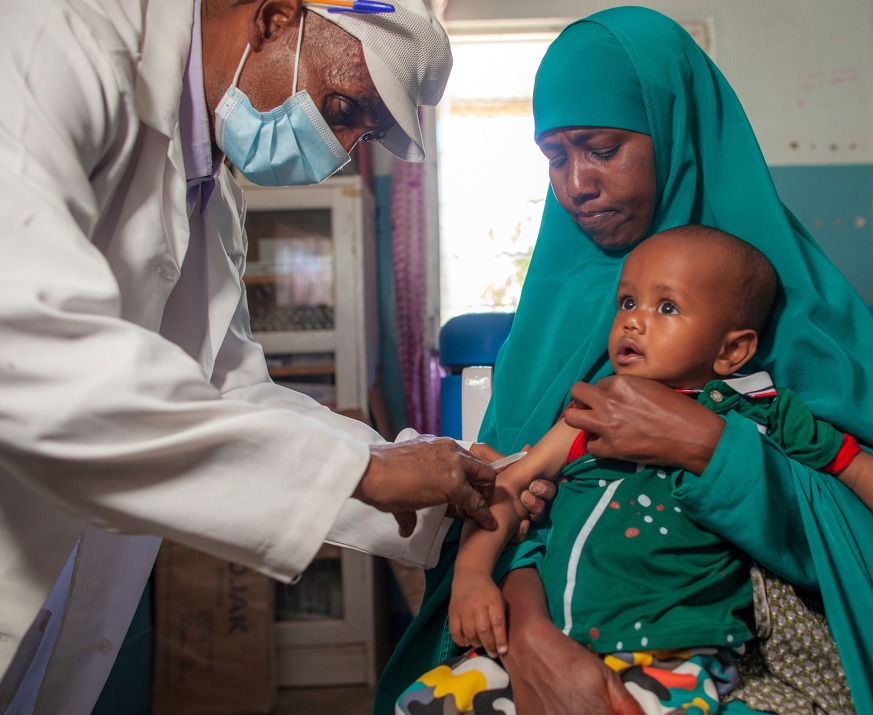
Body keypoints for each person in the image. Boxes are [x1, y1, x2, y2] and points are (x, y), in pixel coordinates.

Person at [375, 8, 873, 715]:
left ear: (674, 130)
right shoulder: (556, 312)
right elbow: (517, 495)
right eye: (555, 156)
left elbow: (872, 537)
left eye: (602, 148)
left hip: (732, 652)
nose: (576, 183)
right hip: (542, 630)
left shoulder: (786, 308)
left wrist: (710, 446)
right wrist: (534, 637)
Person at [0, 0, 553, 710]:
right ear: (274, 18)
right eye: (345, 106)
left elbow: (230, 391)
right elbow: (27, 344)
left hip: (49, 567)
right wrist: (362, 471)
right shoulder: (64, 35)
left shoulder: (208, 187)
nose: (345, 147)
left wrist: (443, 484)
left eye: (366, 132)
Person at [395, 225, 873, 713]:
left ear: (732, 351)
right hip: (555, 639)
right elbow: (509, 484)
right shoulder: (591, 410)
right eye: (627, 301)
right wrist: (473, 574)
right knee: (424, 702)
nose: (632, 320)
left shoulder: (762, 414)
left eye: (667, 306)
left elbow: (859, 470)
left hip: (677, 656)